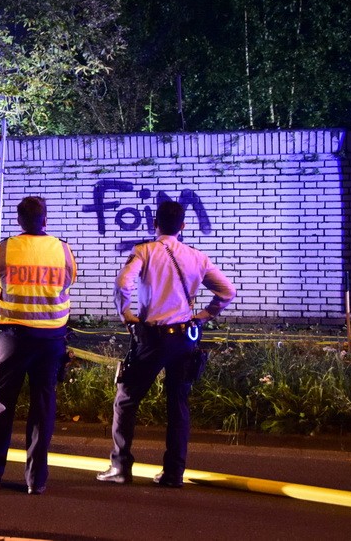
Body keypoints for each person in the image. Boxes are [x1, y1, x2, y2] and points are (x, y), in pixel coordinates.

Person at [97, 200, 236, 488]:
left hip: (152, 339)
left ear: (154, 223)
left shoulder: (144, 251)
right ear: (183, 226)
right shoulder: (198, 257)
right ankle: (173, 473)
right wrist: (204, 315)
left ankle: (121, 466)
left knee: (126, 400)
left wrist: (127, 314)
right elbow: (227, 290)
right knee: (178, 404)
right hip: (185, 339)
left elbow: (124, 283)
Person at [0, 196, 76, 495]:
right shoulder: (62, 249)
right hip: (52, 341)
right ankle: (36, 480)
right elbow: (69, 280)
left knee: (2, 405)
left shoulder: (5, 249)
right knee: (43, 409)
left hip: (13, 338)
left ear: (19, 220)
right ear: (45, 219)